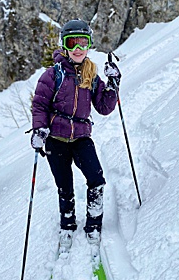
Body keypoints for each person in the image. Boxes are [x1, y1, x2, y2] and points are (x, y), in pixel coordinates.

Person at [31, 19, 121, 257]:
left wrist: (113, 84)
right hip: (56, 139)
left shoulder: (91, 75)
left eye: (84, 42)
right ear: (65, 45)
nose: (78, 48)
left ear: (89, 45)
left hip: (81, 137)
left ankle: (94, 224)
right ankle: (67, 225)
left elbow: (104, 106)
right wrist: (39, 130)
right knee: (65, 186)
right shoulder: (53, 75)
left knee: (96, 179)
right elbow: (39, 105)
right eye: (73, 43)